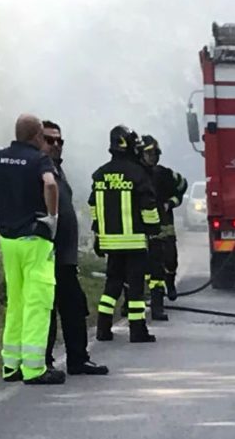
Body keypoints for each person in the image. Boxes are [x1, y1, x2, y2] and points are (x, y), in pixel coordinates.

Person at [0, 114, 64, 384]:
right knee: (37, 302)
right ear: (36, 136)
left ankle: (11, 365)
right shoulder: (39, 159)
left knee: (16, 302)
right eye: (43, 135)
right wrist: (52, 217)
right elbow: (50, 184)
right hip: (35, 239)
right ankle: (34, 369)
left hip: (7, 240)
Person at [41, 121, 108, 376]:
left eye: (60, 141)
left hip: (66, 257)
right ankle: (43, 362)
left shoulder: (56, 169)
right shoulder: (39, 169)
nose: (56, 145)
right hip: (48, 254)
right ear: (38, 140)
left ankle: (78, 359)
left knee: (74, 307)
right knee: (47, 310)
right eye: (50, 140)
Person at [89, 125, 160, 343]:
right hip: (134, 242)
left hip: (110, 242)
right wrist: (154, 229)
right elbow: (148, 206)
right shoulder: (137, 173)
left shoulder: (100, 174)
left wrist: (99, 236)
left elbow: (94, 206)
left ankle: (103, 329)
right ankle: (137, 331)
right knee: (135, 288)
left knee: (112, 285)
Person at [138, 135, 188, 320]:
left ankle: (170, 283)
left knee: (170, 258)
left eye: (155, 154)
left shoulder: (164, 173)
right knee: (147, 263)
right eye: (149, 153)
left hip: (164, 222)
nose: (152, 157)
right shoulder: (137, 174)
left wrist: (171, 203)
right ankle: (148, 297)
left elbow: (182, 185)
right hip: (144, 226)